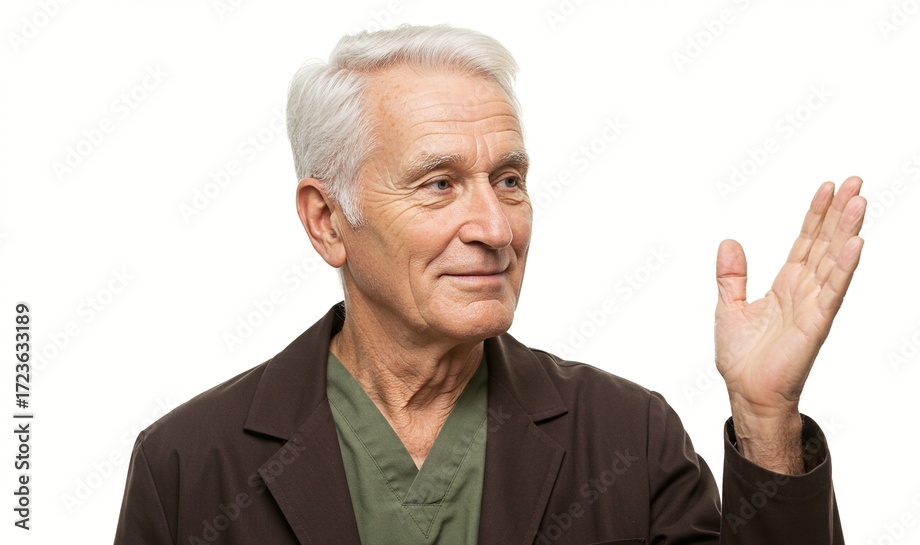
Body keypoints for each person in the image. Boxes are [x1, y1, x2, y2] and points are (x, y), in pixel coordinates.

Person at [114, 24, 864, 544]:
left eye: (508, 180)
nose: (497, 228)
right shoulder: (187, 466)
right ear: (327, 220)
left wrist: (766, 418)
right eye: (438, 184)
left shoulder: (628, 439)